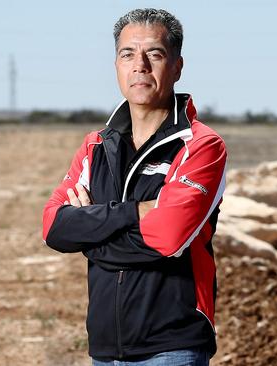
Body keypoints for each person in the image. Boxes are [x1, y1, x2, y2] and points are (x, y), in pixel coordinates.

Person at [42, 8, 227, 366]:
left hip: (172, 346)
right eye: (127, 54)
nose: (139, 64)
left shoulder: (201, 146)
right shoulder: (95, 145)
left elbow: (168, 237)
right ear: (116, 65)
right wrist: (135, 212)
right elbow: (54, 228)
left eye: (154, 54)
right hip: (105, 348)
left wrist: (91, 232)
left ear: (177, 66)